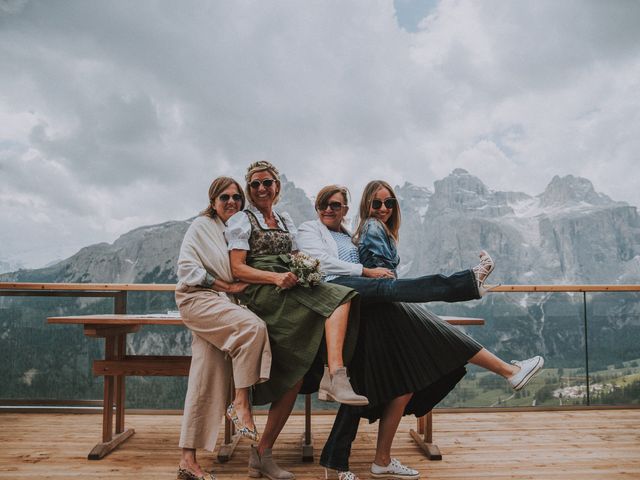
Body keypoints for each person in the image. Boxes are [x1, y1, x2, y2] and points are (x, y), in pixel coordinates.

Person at [298, 183, 544, 480]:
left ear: (346, 210)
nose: (383, 209)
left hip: (369, 312)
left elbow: (373, 271)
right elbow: (348, 271)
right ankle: (497, 347)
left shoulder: (348, 236)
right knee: (419, 328)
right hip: (355, 301)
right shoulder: (333, 229)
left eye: (389, 203)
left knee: (395, 383)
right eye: (376, 204)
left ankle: (374, 461)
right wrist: (368, 273)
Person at [226, 161, 368, 480]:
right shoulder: (240, 219)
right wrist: (273, 279)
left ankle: (262, 454)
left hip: (289, 283)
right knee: (338, 298)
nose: (262, 188)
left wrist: (305, 269)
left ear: (278, 186)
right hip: (264, 290)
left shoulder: (285, 218)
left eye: (268, 183)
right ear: (249, 190)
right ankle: (335, 375)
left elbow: (295, 255)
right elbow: (238, 268)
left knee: (297, 370)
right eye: (255, 185)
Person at [175, 176, 272, 480]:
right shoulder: (202, 226)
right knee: (253, 328)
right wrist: (226, 285)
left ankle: (187, 462)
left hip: (222, 304)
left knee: (206, 375)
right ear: (213, 201)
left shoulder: (235, 229)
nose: (231, 202)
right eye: (224, 197)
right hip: (198, 299)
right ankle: (241, 404)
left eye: (236, 197)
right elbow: (188, 270)